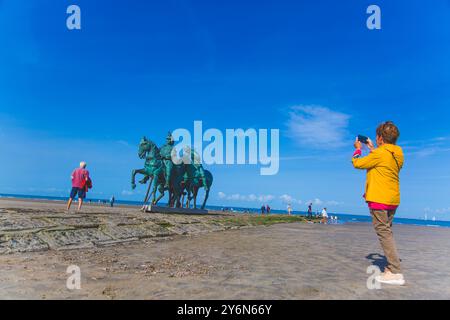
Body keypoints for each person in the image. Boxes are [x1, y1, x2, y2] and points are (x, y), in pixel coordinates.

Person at [352, 121, 405, 286]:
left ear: (381, 138)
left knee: (384, 233)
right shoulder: (397, 154)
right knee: (387, 232)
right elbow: (383, 161)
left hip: (379, 199)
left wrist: (358, 149)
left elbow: (357, 163)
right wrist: (373, 148)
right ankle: (391, 267)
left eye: (377, 137)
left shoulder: (380, 154)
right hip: (392, 200)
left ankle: (395, 272)